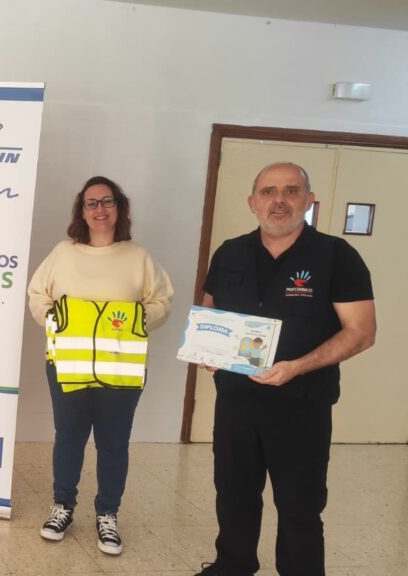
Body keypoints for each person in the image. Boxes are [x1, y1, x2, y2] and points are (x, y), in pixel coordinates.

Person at [194, 163, 376, 576]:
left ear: (309, 200)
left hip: (301, 406)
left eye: (291, 191)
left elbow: (362, 332)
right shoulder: (229, 252)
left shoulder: (337, 256)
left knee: (299, 505)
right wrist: (208, 349)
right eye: (268, 191)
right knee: (233, 494)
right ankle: (233, 565)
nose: (279, 200)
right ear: (252, 202)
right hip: (236, 402)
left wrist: (297, 366)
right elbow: (210, 310)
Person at [27, 176, 173, 555]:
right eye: (91, 203)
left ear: (119, 207)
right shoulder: (63, 253)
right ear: (82, 210)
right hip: (66, 364)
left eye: (107, 201)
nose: (99, 209)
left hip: (121, 369)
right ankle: (62, 507)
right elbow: (37, 293)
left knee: (113, 443)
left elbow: (162, 301)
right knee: (69, 437)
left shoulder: (138, 256)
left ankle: (108, 514)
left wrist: (137, 319)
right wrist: (54, 319)